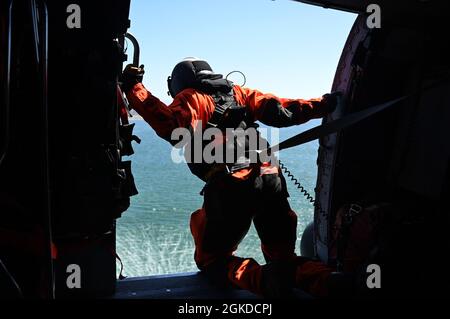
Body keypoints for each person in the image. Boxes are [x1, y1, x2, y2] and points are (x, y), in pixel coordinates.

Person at [121, 58, 340, 298]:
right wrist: (325, 104)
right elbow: (284, 111)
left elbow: (172, 126)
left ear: (180, 83)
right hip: (269, 175)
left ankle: (266, 280)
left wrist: (134, 88)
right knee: (282, 255)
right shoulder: (240, 94)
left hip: (233, 185)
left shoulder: (192, 98)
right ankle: (327, 280)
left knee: (212, 261)